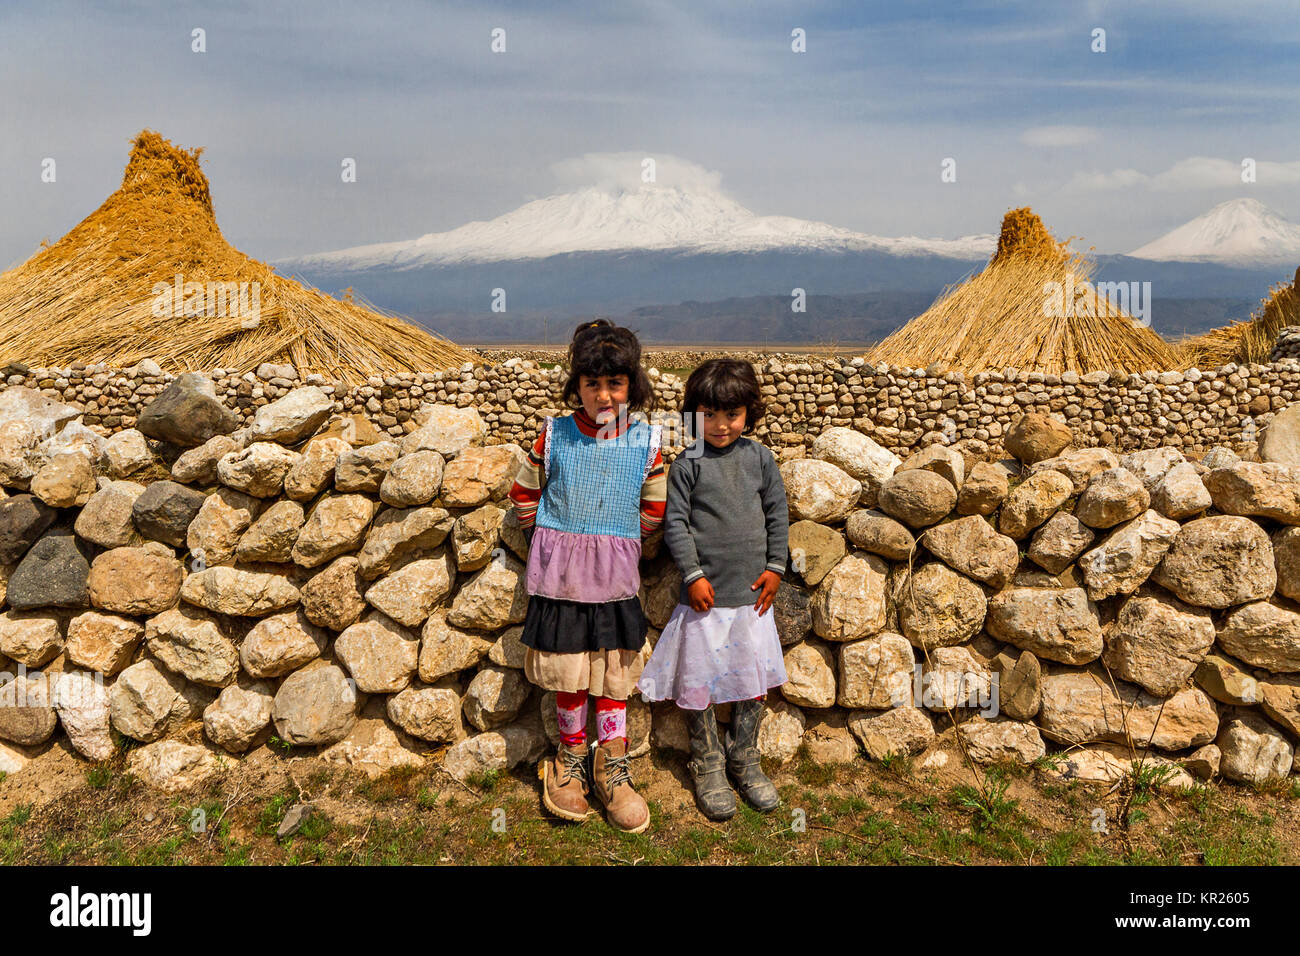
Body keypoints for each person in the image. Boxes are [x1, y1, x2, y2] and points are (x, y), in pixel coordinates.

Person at [507, 319, 664, 833]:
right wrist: (550, 542)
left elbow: (653, 507)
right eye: (591, 382)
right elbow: (525, 494)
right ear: (575, 384)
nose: (602, 394)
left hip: (616, 583)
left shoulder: (646, 441)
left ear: (632, 387)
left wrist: (620, 543)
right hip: (563, 582)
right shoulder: (554, 435)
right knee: (569, 675)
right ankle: (569, 759)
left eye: (614, 383)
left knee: (614, 677)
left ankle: (610, 766)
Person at [637, 359, 789, 821]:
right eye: (708, 414)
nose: (720, 425)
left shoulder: (760, 459)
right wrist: (693, 575)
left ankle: (745, 757)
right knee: (700, 679)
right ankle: (707, 762)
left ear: (749, 414)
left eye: (732, 415)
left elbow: (778, 515)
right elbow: (676, 524)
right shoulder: (688, 465)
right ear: (692, 414)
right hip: (704, 598)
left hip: (752, 597)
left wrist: (776, 567)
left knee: (752, 678)